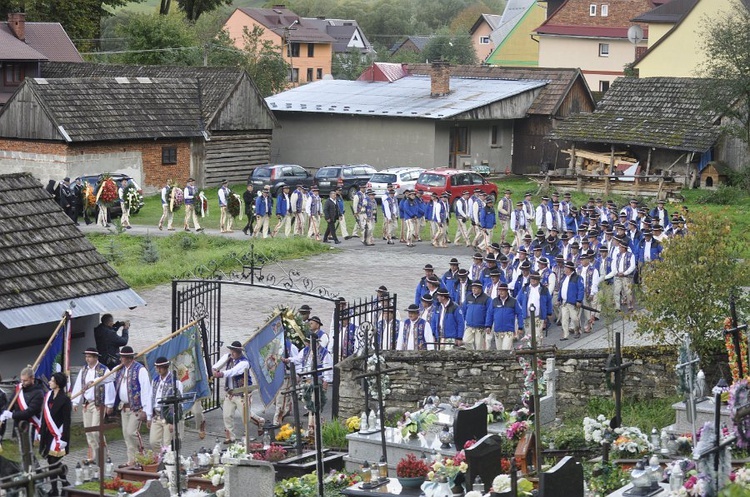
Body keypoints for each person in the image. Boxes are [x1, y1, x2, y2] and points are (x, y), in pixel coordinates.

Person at [212, 341, 264, 443]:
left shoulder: (244, 362)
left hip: (242, 393)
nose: (232, 353)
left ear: (239, 352)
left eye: (234, 351)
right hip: (230, 392)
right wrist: (213, 370)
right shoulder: (228, 357)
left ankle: (256, 424)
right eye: (231, 350)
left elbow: (233, 371)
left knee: (246, 417)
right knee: (227, 415)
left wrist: (221, 374)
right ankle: (230, 437)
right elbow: (217, 365)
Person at [71, 347, 115, 462]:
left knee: (96, 430)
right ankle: (95, 455)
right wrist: (75, 402)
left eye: (89, 357)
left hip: (98, 403)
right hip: (87, 403)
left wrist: (110, 404)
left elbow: (109, 386)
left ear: (96, 357)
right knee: (89, 431)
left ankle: (105, 453)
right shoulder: (84, 370)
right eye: (86, 356)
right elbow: (78, 386)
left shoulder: (103, 370)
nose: (87, 359)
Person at [110, 346, 152, 466]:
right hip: (124, 407)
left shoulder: (140, 370)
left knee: (131, 432)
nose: (120, 359)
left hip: (136, 407)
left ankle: (141, 453)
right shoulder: (120, 369)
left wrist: (145, 409)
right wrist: (94, 381)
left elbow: (145, 389)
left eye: (122, 357)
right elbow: (108, 377)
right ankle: (132, 460)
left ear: (128, 358)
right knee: (125, 434)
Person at [40, 373, 72, 496]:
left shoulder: (65, 399)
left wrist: (65, 438)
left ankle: (54, 489)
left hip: (59, 434)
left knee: (53, 462)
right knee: (52, 462)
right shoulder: (48, 396)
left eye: (51, 380)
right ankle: (64, 484)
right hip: (48, 434)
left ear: (57, 383)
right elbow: (45, 416)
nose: (49, 382)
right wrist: (40, 432)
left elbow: (67, 420)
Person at [1, 367, 44, 446]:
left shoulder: (38, 393)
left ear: (32, 379)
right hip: (18, 425)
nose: (23, 382)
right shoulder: (19, 389)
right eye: (21, 380)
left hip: (30, 425)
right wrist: (4, 412)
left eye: (25, 380)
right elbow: (11, 402)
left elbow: (29, 412)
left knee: (29, 451)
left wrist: (12, 415)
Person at [149, 357, 183, 452]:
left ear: (166, 367)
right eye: (157, 367)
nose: (158, 370)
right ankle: (162, 458)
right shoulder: (155, 380)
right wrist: (149, 416)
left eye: (161, 367)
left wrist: (173, 421)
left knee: (167, 443)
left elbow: (178, 403)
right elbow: (151, 397)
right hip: (157, 415)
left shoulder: (175, 381)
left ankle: (168, 461)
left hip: (168, 417)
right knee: (153, 441)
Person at [486, 283, 524, 351]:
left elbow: (519, 314)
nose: (500, 292)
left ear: (507, 291)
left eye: (502, 290)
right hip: (497, 330)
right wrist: (488, 326)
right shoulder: (494, 301)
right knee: (499, 350)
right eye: (499, 290)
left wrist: (520, 327)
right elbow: (489, 314)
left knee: (506, 349)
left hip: (508, 330)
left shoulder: (514, 301)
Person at [519, 272, 553, 343]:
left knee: (538, 335)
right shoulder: (525, 288)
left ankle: (538, 350)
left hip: (539, 316)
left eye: (535, 279)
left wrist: (549, 313)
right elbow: (518, 300)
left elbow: (549, 301)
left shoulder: (544, 289)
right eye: (532, 278)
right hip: (527, 316)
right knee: (528, 335)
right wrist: (521, 312)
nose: (533, 280)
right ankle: (528, 351)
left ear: (538, 280)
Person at [606, 237, 636, 312]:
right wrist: (616, 272)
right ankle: (617, 307)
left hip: (626, 276)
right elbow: (615, 265)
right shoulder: (617, 255)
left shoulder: (631, 255)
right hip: (618, 276)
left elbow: (632, 266)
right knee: (616, 291)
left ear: (624, 248)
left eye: (620, 247)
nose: (619, 248)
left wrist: (625, 273)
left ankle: (630, 305)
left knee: (628, 291)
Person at [558, 261, 585, 340]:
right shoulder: (564, 278)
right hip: (564, 302)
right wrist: (559, 298)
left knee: (574, 318)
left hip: (573, 303)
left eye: (566, 268)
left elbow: (581, 290)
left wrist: (579, 300)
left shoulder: (578, 278)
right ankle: (565, 335)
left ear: (570, 269)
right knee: (564, 319)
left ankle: (577, 331)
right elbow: (561, 289)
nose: (565, 269)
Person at [463, 281, 491, 350]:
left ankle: (480, 359)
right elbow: (464, 310)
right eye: (473, 288)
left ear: (480, 289)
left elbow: (489, 313)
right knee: (466, 341)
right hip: (469, 326)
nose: (473, 290)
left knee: (479, 346)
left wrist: (488, 325)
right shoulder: (468, 297)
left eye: (475, 288)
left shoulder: (487, 299)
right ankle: (472, 354)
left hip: (480, 327)